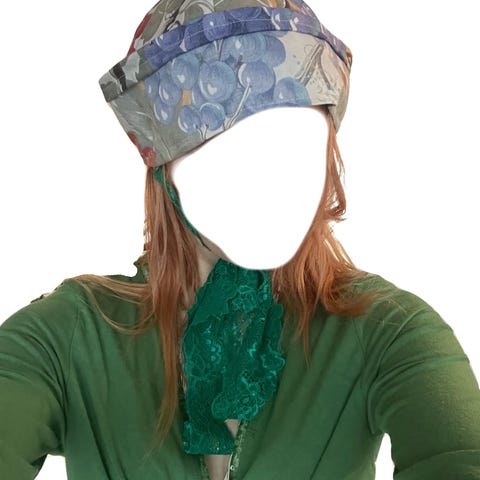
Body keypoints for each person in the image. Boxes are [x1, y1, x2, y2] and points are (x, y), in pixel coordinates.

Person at [1, 1, 479, 479]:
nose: (271, 186)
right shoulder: (69, 334)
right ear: (164, 168)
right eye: (230, 151)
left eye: (297, 149)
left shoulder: (386, 330)